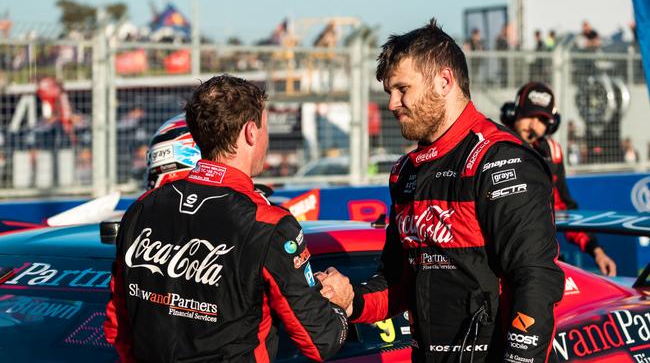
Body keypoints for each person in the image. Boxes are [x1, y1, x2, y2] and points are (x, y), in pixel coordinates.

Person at [319, 18, 564, 362]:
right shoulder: (406, 173)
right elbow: (397, 281)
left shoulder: (499, 159)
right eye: (389, 91)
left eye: (402, 89)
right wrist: (350, 300)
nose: (392, 103)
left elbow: (535, 279)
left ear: (444, 81)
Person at [104, 75, 349, 362]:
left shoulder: (142, 209)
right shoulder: (268, 224)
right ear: (250, 132)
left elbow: (117, 328)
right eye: (265, 127)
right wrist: (339, 305)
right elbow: (321, 341)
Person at [500, 82, 617, 276]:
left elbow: (564, 207)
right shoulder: (492, 146)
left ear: (552, 125)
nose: (533, 126)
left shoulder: (552, 153)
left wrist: (596, 251)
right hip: (500, 259)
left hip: (538, 259)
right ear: (514, 112)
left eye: (542, 120)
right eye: (529, 115)